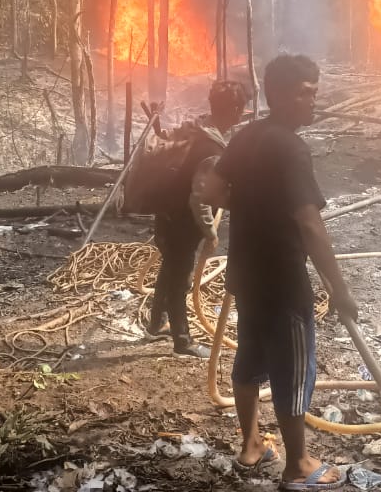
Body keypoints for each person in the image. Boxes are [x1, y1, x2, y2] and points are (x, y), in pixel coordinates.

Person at [217, 54, 357, 492]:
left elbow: (215, 187)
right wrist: (339, 287)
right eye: (304, 92)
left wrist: (252, 210)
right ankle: (297, 465)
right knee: (293, 370)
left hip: (246, 275)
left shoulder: (246, 137)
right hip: (282, 281)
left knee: (249, 360)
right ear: (277, 93)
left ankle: (251, 445)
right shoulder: (292, 147)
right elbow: (310, 224)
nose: (312, 101)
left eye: (314, 92)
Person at [145, 80, 249, 358]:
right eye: (242, 110)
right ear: (236, 110)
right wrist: (210, 233)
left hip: (166, 214)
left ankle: (156, 323)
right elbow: (199, 198)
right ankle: (183, 340)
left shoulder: (196, 128)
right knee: (179, 279)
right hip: (182, 223)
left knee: (169, 271)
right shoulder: (212, 149)